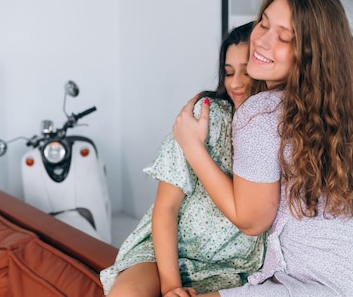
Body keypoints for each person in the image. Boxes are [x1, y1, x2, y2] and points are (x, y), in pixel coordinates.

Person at [173, 0, 353, 296]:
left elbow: (251, 221)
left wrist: (192, 146)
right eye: (263, 23)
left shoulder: (261, 114)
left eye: (284, 36)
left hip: (319, 287)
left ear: (309, 55)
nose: (261, 40)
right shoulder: (327, 108)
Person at [100, 22, 267, 297]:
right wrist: (172, 288)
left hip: (231, 269)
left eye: (246, 71)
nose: (236, 83)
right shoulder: (205, 119)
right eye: (228, 72)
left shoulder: (277, 133)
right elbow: (165, 209)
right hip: (164, 256)